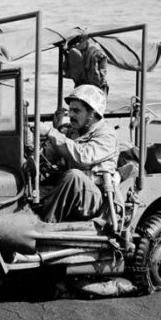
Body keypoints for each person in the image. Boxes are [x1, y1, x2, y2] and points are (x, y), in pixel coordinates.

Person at [37, 84, 119, 223]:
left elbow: (83, 156)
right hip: (70, 191)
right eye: (70, 110)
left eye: (76, 111)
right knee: (33, 187)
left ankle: (45, 225)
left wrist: (51, 133)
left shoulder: (107, 135)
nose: (70, 115)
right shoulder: (72, 131)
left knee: (74, 177)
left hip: (94, 197)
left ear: (92, 113)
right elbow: (47, 154)